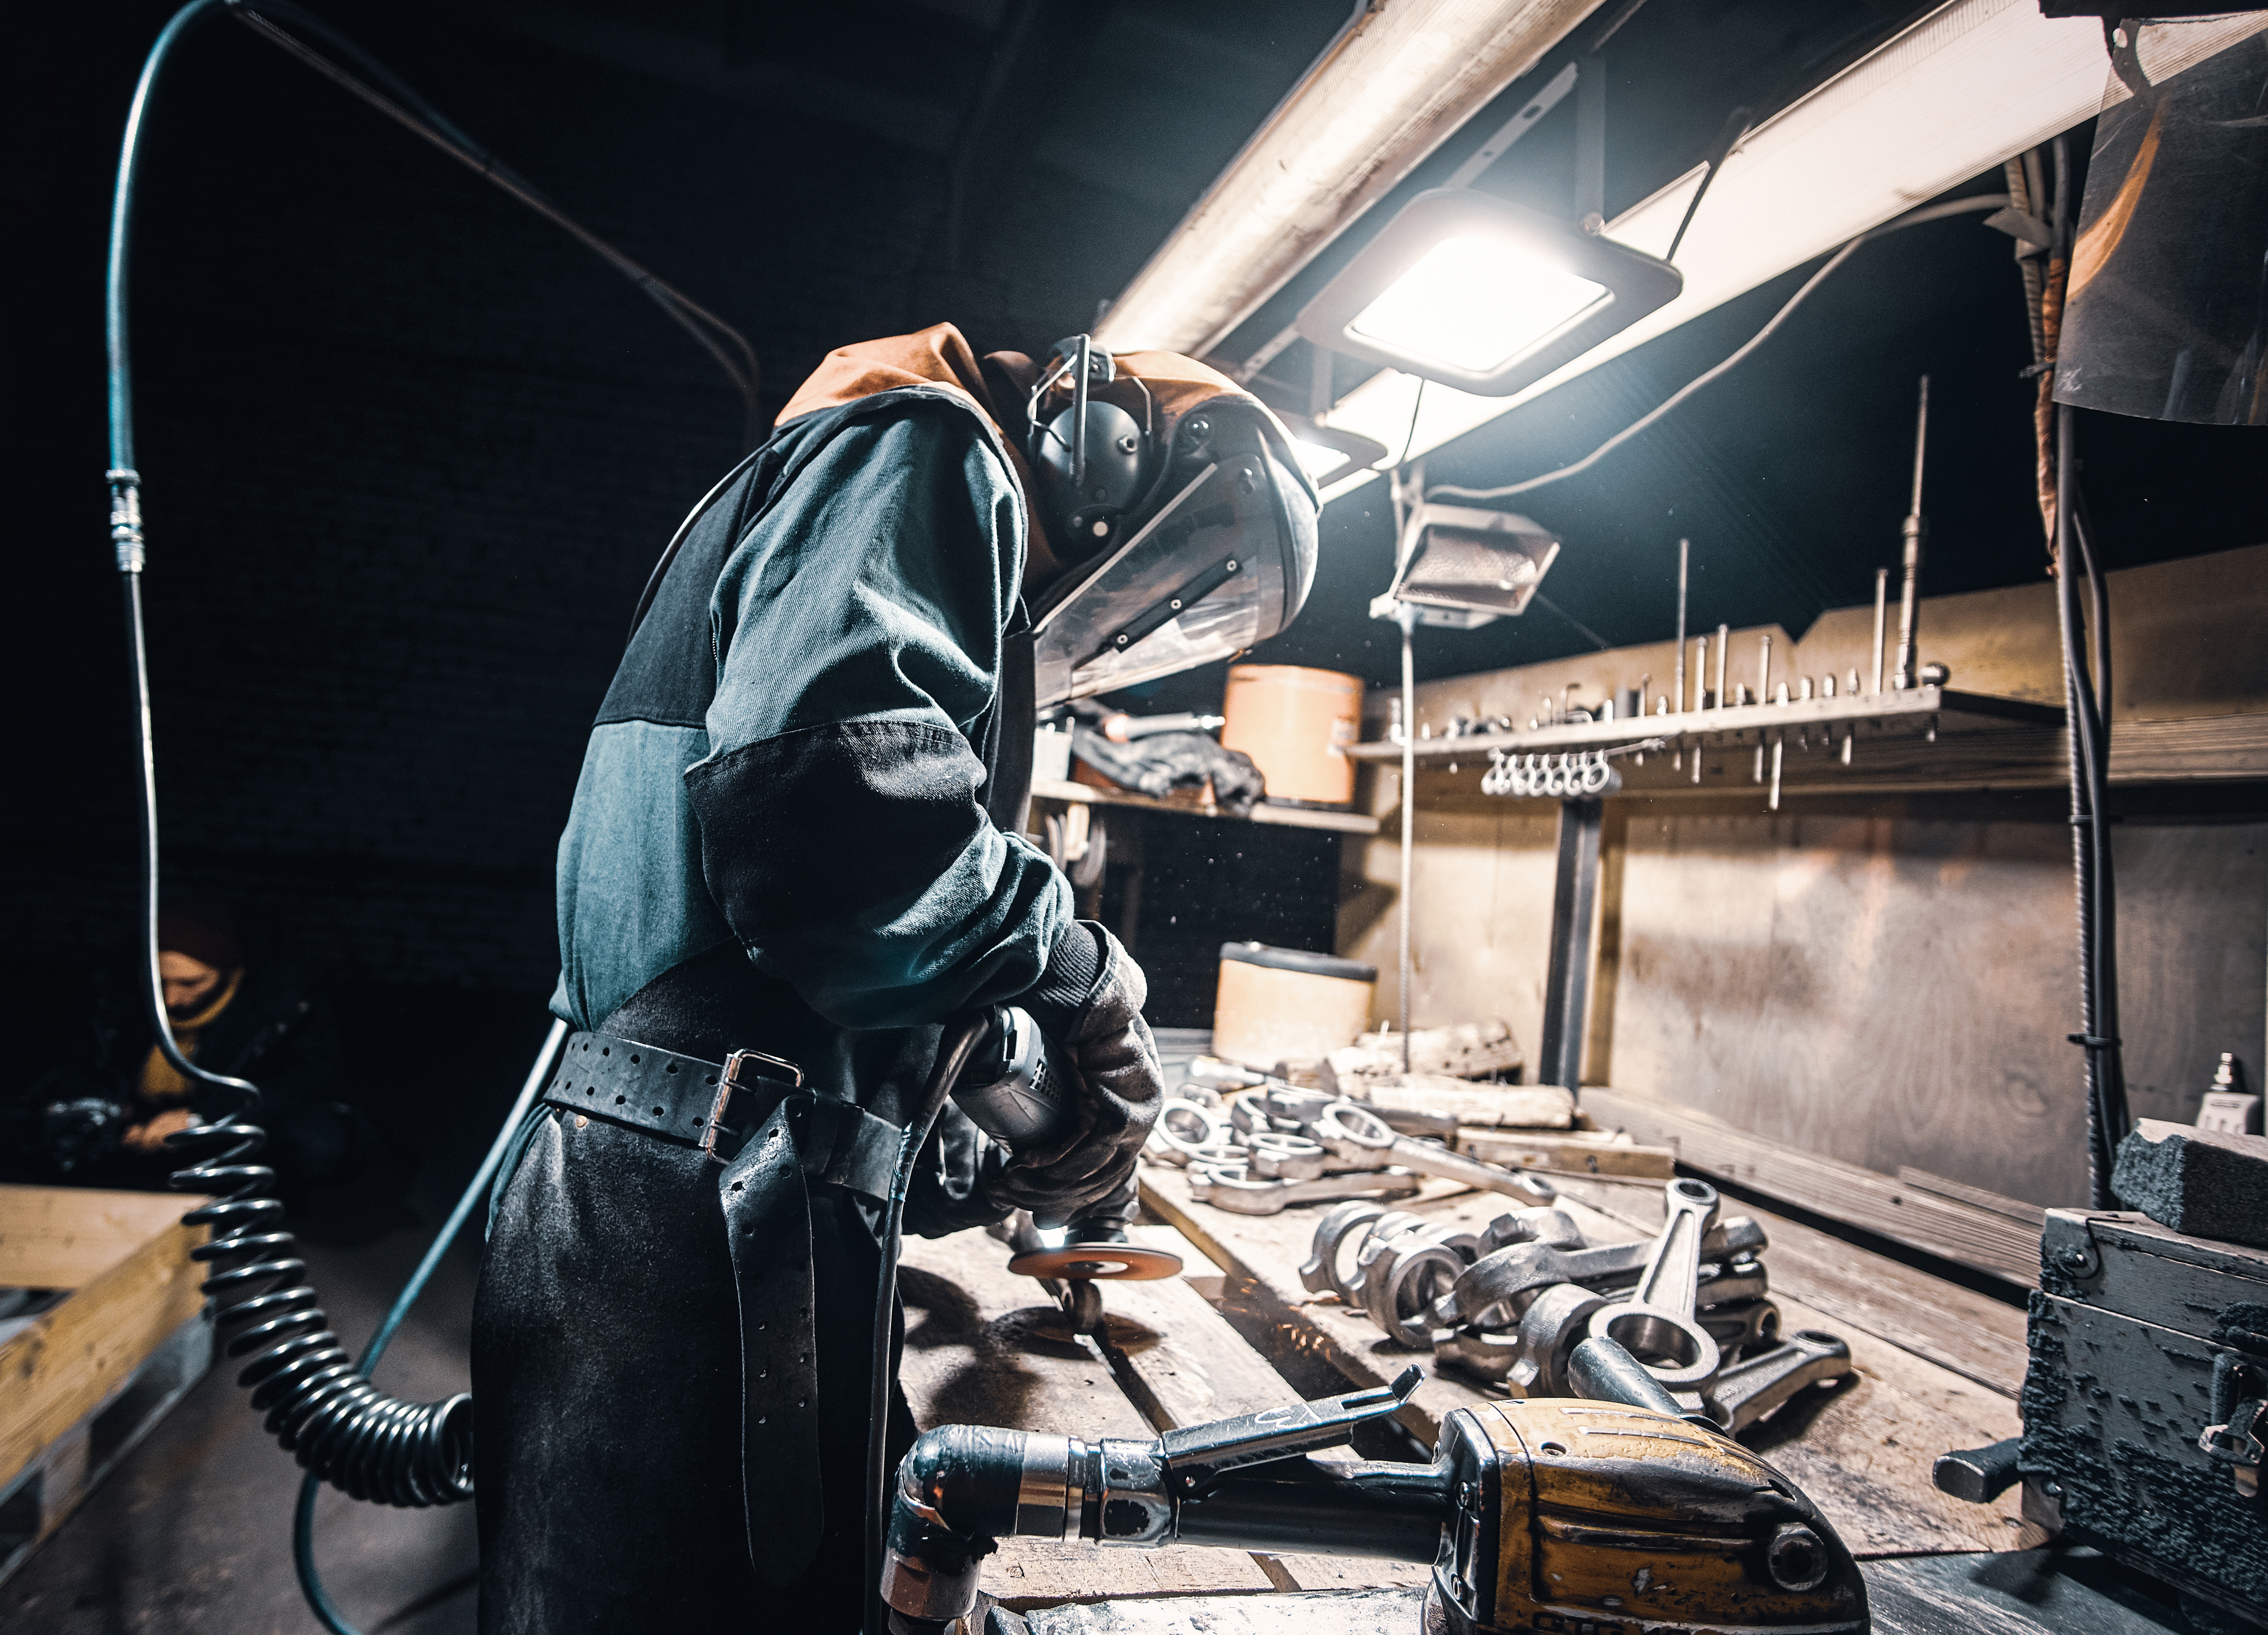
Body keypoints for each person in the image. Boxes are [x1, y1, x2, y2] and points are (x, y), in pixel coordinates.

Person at [472, 324, 1318, 1632]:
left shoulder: (824, 489)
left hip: (662, 1189)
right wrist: (1080, 970)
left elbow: (788, 965)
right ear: (1098, 445)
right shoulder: (924, 445)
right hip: (705, 1215)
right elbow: (837, 831)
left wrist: (959, 1139)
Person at [9, 897, 369, 1210]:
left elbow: (308, 1077)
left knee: (316, 1143)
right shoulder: (116, 989)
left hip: (226, 1116)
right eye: (160, 982)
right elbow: (81, 1059)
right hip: (141, 1118)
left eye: (190, 984)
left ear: (228, 972)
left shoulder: (278, 1002)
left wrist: (200, 1119)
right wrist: (110, 1106)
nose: (170, 1000)